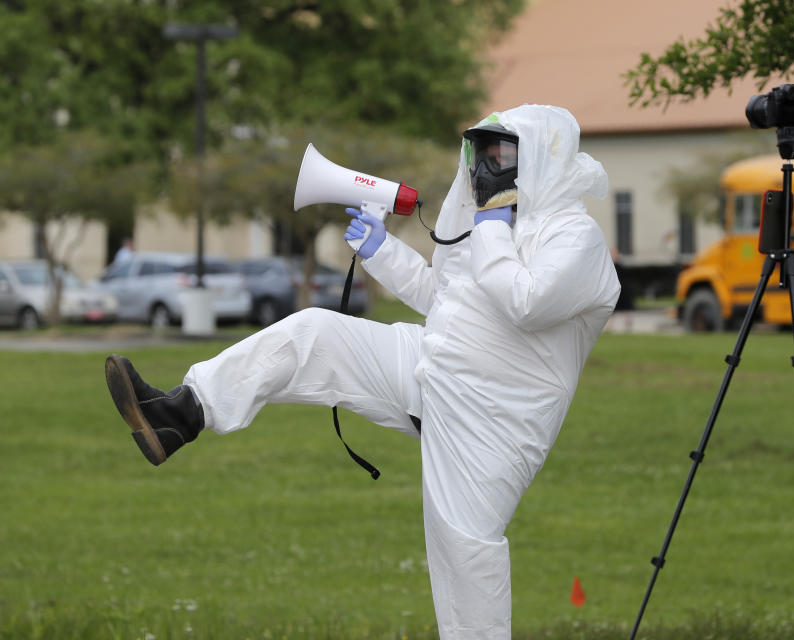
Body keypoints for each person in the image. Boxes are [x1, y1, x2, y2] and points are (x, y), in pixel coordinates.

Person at [104, 104, 620, 639]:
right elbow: (446, 300)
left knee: (463, 555)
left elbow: (525, 302)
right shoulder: (491, 223)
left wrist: (492, 226)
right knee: (314, 334)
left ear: (542, 158)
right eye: (484, 152)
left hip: (494, 420)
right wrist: (382, 251)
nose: (488, 166)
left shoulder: (575, 239)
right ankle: (180, 413)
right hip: (433, 365)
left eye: (503, 153)